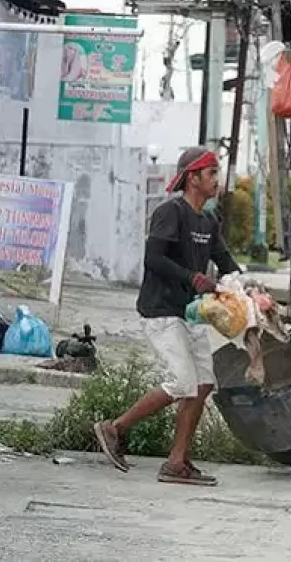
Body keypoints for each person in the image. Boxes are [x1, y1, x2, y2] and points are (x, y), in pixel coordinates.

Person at [94, 146, 240, 487]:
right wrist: (193, 278)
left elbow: (226, 261)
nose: (217, 181)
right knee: (182, 382)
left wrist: (247, 287)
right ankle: (114, 428)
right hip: (161, 311)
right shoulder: (170, 212)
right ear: (193, 178)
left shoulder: (208, 220)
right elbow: (153, 259)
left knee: (203, 385)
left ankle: (176, 463)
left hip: (190, 314)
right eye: (212, 174)